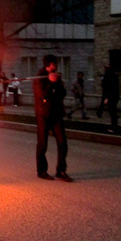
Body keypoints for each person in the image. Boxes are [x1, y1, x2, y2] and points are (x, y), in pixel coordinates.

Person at [33, 54, 73, 182]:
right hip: (43, 114)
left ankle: (61, 170)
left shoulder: (57, 76)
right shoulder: (39, 77)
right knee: (42, 143)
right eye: (53, 64)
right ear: (47, 65)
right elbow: (42, 95)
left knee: (62, 142)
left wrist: (57, 83)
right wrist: (51, 82)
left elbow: (63, 93)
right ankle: (41, 170)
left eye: (55, 64)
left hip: (57, 114)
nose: (55, 66)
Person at [96, 65, 120, 133]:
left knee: (112, 112)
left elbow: (105, 86)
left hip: (109, 96)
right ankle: (114, 125)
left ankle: (114, 127)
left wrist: (106, 97)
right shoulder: (115, 76)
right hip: (114, 96)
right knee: (113, 111)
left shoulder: (107, 76)